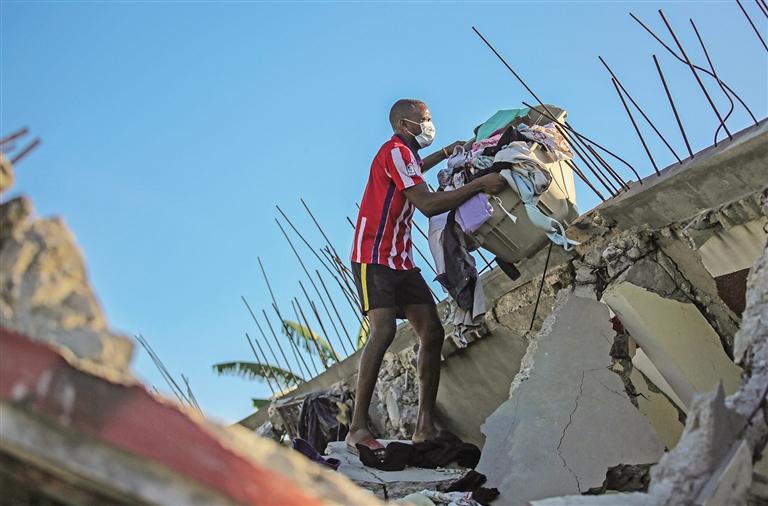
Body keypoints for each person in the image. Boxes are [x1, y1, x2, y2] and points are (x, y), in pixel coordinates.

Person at [346, 99, 506, 453]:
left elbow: (416, 168)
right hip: (373, 256)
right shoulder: (395, 152)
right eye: (425, 120)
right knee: (384, 330)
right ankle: (357, 427)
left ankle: (424, 427)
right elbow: (428, 204)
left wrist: (447, 152)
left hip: (400, 260)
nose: (430, 125)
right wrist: (479, 185)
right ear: (405, 125)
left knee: (431, 332)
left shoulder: (404, 154)